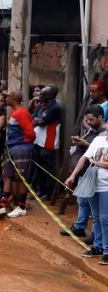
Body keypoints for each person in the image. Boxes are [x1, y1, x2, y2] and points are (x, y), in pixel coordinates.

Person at [65, 105, 108, 261]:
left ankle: (106, 250)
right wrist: (73, 175)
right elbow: (84, 158)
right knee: (96, 217)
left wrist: (97, 162)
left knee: (104, 218)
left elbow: (102, 162)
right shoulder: (98, 139)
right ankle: (98, 247)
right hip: (93, 183)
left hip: (106, 185)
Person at [0, 90, 36, 219]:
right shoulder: (17, 112)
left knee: (21, 178)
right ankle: (2, 206)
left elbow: (31, 134)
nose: (5, 99)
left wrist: (22, 143)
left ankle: (21, 207)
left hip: (21, 147)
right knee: (8, 176)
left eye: (7, 97)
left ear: (14, 98)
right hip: (13, 148)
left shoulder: (21, 113)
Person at [32, 86, 63, 200]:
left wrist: (37, 121)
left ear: (49, 96)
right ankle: (41, 189)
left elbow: (42, 122)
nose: (39, 96)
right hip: (38, 139)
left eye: (42, 94)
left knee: (48, 167)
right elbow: (34, 118)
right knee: (39, 165)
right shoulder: (39, 106)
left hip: (48, 141)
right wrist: (37, 120)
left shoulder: (55, 108)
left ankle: (49, 192)